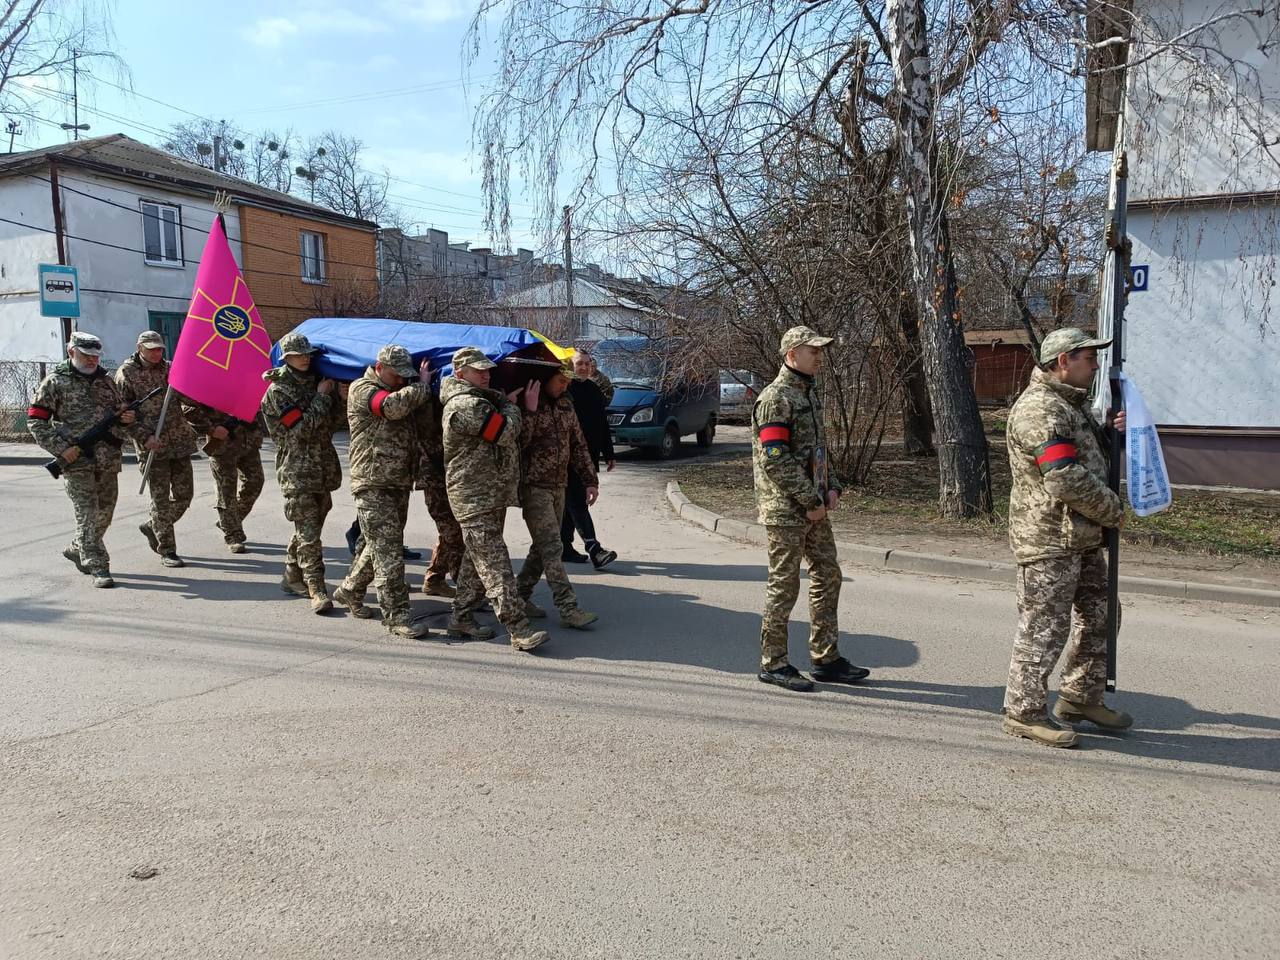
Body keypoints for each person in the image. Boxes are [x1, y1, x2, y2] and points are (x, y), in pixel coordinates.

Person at [1002, 327, 1131, 748]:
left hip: (1081, 533)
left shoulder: (1069, 406)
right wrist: (1112, 510)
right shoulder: (1041, 409)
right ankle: (1024, 712)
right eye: (1089, 358)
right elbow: (1063, 476)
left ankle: (1080, 697)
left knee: (1102, 614)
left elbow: (1087, 459)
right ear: (1063, 361)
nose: (1095, 366)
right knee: (1045, 627)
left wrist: (1112, 434)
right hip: (1049, 538)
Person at [752, 326, 870, 693]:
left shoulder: (809, 394)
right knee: (784, 585)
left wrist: (830, 486)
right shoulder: (776, 399)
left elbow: (816, 451)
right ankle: (773, 663)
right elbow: (776, 460)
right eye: (812, 351)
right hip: (786, 509)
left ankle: (825, 657)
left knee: (827, 575)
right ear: (791, 355)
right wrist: (810, 500)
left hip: (812, 506)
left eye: (820, 350)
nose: (819, 356)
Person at [441, 346, 549, 651]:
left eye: (488, 370)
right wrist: (514, 407)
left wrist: (502, 403)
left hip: (488, 494)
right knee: (496, 564)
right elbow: (504, 432)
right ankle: (519, 629)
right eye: (479, 371)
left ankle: (461, 617)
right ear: (460, 373)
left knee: (476, 562)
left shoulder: (482, 401)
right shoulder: (466, 405)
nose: (486, 375)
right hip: (474, 496)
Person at [332, 345, 434, 639]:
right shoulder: (363, 389)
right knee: (389, 552)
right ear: (379, 367)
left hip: (397, 481)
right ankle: (396, 616)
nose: (402, 380)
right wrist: (422, 387)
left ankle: (350, 589)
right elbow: (390, 408)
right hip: (373, 482)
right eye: (396, 375)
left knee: (377, 545)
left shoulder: (401, 388)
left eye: (407, 376)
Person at [27, 331, 137, 588]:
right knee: (87, 514)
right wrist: (60, 449)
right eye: (86, 356)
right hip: (76, 460)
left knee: (105, 514)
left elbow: (118, 411)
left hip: (108, 458)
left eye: (95, 356)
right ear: (71, 352)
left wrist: (125, 417)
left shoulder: (106, 382)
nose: (91, 361)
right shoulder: (55, 382)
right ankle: (98, 565)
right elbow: (36, 420)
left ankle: (79, 547)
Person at [260, 332, 345, 614]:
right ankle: (317, 588)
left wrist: (338, 398)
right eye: (300, 354)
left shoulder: (317, 382)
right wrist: (321, 399)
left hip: (321, 466)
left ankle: (292, 575)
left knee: (308, 528)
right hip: (297, 470)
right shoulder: (278, 391)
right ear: (287, 358)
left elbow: (333, 423)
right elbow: (300, 432)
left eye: (308, 353)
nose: (306, 358)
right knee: (309, 534)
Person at [515, 361, 600, 629]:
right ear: (546, 378)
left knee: (541, 547)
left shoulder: (565, 405)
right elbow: (517, 444)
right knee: (553, 546)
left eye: (568, 382)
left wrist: (590, 480)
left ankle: (519, 596)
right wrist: (527, 412)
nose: (565, 386)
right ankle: (568, 608)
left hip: (559, 485)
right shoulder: (528, 402)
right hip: (533, 486)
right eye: (561, 381)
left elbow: (578, 444)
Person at [116, 330, 197, 568]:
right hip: (152, 445)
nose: (156, 353)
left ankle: (154, 525)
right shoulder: (126, 374)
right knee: (160, 500)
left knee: (184, 496)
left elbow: (188, 397)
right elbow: (122, 416)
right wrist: (144, 437)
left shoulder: (171, 368)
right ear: (139, 347)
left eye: (160, 348)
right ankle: (168, 550)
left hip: (179, 441)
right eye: (151, 348)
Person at [183, 402, 265, 553]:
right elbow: (188, 410)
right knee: (226, 491)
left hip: (248, 440)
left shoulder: (245, 379)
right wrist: (211, 429)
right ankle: (233, 535)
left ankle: (229, 520)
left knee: (256, 482)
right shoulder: (208, 382)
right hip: (223, 444)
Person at [561, 351, 618, 569]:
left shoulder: (594, 390)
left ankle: (564, 547)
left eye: (587, 363)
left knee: (571, 503)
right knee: (577, 500)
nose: (584, 367)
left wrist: (609, 453)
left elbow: (602, 424)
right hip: (568, 457)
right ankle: (594, 548)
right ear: (571, 365)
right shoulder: (566, 390)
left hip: (589, 457)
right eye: (579, 364)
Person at [414, 368, 464, 598]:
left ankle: (436, 578)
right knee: (452, 532)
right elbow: (427, 433)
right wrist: (424, 385)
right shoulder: (430, 406)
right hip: (435, 478)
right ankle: (461, 584)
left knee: (451, 532)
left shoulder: (454, 404)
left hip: (451, 478)